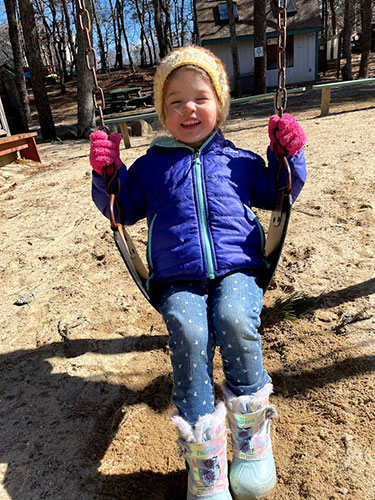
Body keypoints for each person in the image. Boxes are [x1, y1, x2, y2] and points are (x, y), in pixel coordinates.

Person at [90, 46, 307, 500]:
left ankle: (251, 443)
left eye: (200, 97)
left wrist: (287, 152)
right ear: (163, 114)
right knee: (189, 332)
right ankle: (205, 465)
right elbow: (122, 208)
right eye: (175, 101)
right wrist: (108, 171)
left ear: (219, 106)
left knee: (233, 318)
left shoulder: (239, 161)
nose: (188, 108)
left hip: (239, 269)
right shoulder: (150, 168)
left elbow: (280, 191)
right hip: (176, 277)